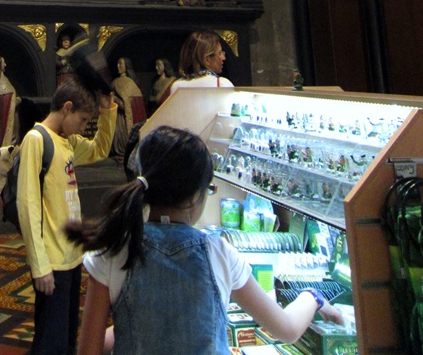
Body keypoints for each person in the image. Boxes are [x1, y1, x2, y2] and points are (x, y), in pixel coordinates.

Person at [69, 126, 344, 355]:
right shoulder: (218, 252)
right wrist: (314, 297)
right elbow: (287, 330)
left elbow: (88, 350)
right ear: (195, 197)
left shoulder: (115, 251)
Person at [16, 77, 117, 355]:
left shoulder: (67, 141)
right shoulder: (37, 140)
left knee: (66, 339)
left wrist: (108, 112)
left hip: (71, 257)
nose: (84, 128)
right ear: (67, 108)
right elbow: (28, 205)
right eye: (83, 120)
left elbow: (99, 149)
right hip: (51, 260)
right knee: (51, 341)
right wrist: (39, 266)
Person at [111, 57, 147, 163]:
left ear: (126, 66)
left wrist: (119, 101)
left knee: (124, 137)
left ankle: (126, 152)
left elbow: (131, 104)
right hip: (118, 116)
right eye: (117, 64)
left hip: (125, 118)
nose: (118, 66)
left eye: (121, 64)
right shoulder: (115, 82)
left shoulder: (131, 83)